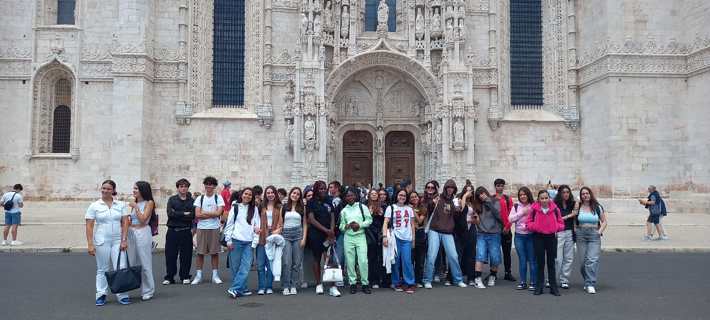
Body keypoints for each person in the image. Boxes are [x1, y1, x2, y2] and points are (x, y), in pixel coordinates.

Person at [85, 180, 130, 306]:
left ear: (113, 190)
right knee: (102, 268)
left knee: (121, 267)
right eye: (103, 188)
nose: (105, 191)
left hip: (118, 240)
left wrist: (124, 240)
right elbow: (89, 225)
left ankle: (122, 294)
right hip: (101, 240)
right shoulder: (94, 205)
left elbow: (125, 222)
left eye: (108, 189)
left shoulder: (120, 204)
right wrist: (90, 244)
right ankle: (101, 294)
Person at [423, 179, 467, 288]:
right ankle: (427, 279)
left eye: (452, 188)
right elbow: (428, 208)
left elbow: (457, 216)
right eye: (448, 187)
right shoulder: (438, 197)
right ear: (445, 188)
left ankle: (458, 279)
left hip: (448, 231)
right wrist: (432, 203)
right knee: (431, 255)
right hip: (434, 230)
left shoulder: (454, 200)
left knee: (453, 256)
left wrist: (458, 208)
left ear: (454, 189)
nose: (450, 189)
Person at [224, 187, 261, 299]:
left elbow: (257, 226)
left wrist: (255, 242)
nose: (247, 196)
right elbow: (229, 224)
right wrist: (228, 240)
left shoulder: (254, 209)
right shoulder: (235, 207)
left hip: (248, 243)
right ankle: (242, 289)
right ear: (242, 195)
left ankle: (234, 289)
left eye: (250, 195)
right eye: (246, 194)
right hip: (236, 241)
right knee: (235, 268)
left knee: (245, 268)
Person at [306, 181, 341, 297]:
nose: (322, 190)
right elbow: (311, 219)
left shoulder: (329, 200)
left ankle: (332, 286)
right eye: (320, 188)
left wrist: (331, 231)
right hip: (316, 234)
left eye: (324, 188)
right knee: (317, 258)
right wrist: (325, 230)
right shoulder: (311, 202)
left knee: (330, 259)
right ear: (316, 189)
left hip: (328, 235)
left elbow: (332, 216)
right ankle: (318, 283)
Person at [527, 190, 564, 296]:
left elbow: (561, 223)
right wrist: (535, 227)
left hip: (551, 237)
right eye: (542, 198)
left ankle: (553, 287)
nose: (544, 200)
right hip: (538, 237)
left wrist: (556, 227)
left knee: (551, 263)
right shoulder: (534, 209)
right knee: (540, 263)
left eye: (546, 198)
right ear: (538, 199)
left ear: (549, 198)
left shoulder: (555, 209)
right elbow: (528, 222)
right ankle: (539, 286)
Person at [191, 176, 225, 285]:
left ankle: (215, 275)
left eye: (211, 184)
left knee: (214, 253)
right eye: (207, 184)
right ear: (204, 185)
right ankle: (198, 275)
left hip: (214, 228)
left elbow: (219, 213)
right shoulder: (199, 198)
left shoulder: (218, 198)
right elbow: (197, 215)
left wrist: (204, 213)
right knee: (200, 253)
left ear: (214, 186)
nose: (209, 186)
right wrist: (212, 214)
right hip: (201, 228)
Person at [339, 187, 373, 294]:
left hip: (360, 236)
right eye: (347, 196)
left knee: (363, 260)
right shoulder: (344, 210)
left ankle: (365, 283)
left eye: (351, 195)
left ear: (355, 195)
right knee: (350, 261)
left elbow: (369, 220)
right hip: (348, 237)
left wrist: (360, 225)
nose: (349, 197)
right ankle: (352, 283)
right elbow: (340, 225)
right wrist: (346, 226)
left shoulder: (362, 207)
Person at [384, 189, 416, 293]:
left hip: (407, 239)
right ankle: (396, 282)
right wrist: (384, 236)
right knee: (395, 261)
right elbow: (385, 223)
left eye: (404, 196)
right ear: (396, 196)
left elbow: (412, 225)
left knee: (407, 262)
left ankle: (409, 283)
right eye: (400, 195)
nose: (402, 197)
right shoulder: (391, 208)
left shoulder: (409, 209)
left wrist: (413, 239)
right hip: (395, 238)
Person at [164, 178, 195, 285]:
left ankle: (185, 276)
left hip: (186, 231)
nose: (183, 188)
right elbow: (170, 214)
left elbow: (192, 215)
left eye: (185, 186)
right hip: (172, 230)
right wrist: (184, 214)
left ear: (188, 188)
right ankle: (169, 277)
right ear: (178, 188)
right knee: (170, 255)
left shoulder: (192, 201)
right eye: (181, 186)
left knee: (186, 255)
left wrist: (178, 213)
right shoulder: (172, 200)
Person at [577, 187, 607, 294]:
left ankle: (590, 283)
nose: (585, 195)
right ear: (581, 196)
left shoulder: (597, 207)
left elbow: (604, 222)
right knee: (582, 263)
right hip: (581, 234)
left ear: (590, 194)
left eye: (587, 193)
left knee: (592, 260)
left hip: (594, 234)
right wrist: (575, 231)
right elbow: (574, 220)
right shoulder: (578, 207)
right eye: (583, 194)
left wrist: (599, 232)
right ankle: (587, 280)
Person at [471, 186, 502, 288]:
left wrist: (488, 201)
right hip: (482, 233)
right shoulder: (477, 205)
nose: (481, 196)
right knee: (480, 255)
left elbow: (498, 215)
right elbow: (477, 221)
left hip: (494, 233)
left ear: (486, 192)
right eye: (479, 195)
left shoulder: (494, 201)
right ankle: (478, 278)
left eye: (482, 193)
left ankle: (492, 276)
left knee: (495, 257)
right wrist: (475, 219)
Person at [508, 187, 537, 290]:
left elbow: (538, 220)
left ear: (528, 195)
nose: (523, 196)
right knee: (522, 260)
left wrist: (529, 226)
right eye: (520, 195)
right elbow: (510, 219)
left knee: (532, 260)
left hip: (531, 236)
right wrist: (522, 213)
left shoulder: (534, 206)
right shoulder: (516, 206)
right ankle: (523, 282)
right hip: (519, 236)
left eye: (524, 194)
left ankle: (533, 282)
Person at [255, 185, 283, 295]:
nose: (270, 194)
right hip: (262, 236)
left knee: (270, 262)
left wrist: (278, 230)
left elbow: (282, 223)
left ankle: (269, 286)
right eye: (268, 193)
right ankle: (262, 286)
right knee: (261, 263)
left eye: (272, 192)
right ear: (265, 195)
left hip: (274, 236)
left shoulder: (280, 207)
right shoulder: (260, 206)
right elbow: (255, 220)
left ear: (275, 194)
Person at [281, 187, 308, 295]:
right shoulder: (284, 207)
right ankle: (285, 285)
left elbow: (305, 224)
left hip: (298, 235)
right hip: (286, 235)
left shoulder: (302, 208)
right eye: (293, 193)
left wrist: (304, 238)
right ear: (290, 194)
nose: (295, 195)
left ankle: (293, 285)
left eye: (297, 194)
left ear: (299, 196)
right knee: (287, 262)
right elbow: (280, 223)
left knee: (297, 263)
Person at [554, 185, 578, 289]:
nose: (566, 194)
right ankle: (552, 278)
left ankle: (564, 279)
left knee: (569, 258)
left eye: (568, 192)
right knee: (558, 259)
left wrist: (576, 203)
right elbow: (555, 220)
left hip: (569, 232)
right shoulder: (555, 205)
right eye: (563, 192)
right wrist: (569, 216)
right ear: (559, 193)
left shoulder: (572, 204)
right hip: (558, 232)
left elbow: (580, 201)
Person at [493, 178, 516, 282]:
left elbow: (512, 214)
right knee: (494, 253)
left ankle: (508, 273)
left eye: (501, 186)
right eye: (498, 186)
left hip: (506, 230)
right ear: (495, 187)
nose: (500, 187)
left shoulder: (508, 199)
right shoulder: (491, 199)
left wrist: (507, 227)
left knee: (507, 253)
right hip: (495, 230)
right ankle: (493, 273)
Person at [455, 185, 477, 286]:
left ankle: (471, 277)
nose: (469, 192)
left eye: (470, 191)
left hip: (471, 230)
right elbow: (461, 211)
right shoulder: (459, 200)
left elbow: (476, 220)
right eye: (467, 190)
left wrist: (474, 219)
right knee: (457, 254)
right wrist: (464, 197)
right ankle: (455, 277)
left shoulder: (473, 203)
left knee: (471, 254)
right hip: (460, 230)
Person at [366, 189, 385, 288]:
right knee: (370, 257)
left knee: (379, 257)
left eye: (375, 194)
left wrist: (381, 214)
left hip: (379, 232)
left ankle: (377, 280)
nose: (374, 195)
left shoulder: (382, 205)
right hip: (369, 233)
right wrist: (369, 212)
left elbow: (385, 220)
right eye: (372, 194)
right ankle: (369, 279)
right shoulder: (366, 205)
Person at [409, 191, 428, 287]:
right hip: (410, 234)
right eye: (412, 197)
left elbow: (420, 221)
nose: (414, 198)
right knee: (410, 259)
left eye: (415, 196)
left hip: (420, 235)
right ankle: (410, 280)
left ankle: (419, 280)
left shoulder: (422, 207)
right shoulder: (406, 207)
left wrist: (412, 211)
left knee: (420, 260)